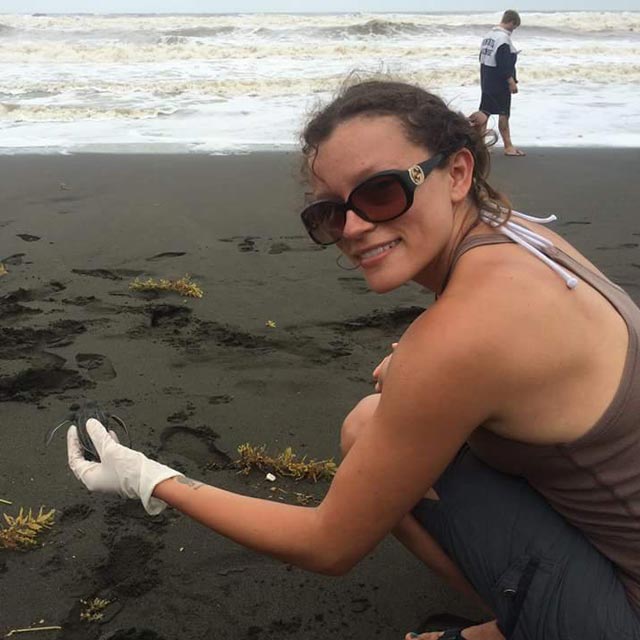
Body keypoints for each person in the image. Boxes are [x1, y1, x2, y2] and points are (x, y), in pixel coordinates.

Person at [67, 79, 640, 640]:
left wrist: (149, 478)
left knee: (368, 432)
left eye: (382, 192)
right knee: (374, 419)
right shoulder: (520, 234)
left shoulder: (461, 335)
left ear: (458, 172)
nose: (356, 228)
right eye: (331, 214)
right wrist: (435, 375)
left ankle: (531, 624)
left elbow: (328, 545)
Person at [479, 10, 525, 157]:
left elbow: (482, 58)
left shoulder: (488, 36)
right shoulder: (503, 39)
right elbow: (503, 63)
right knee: (504, 113)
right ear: (511, 22)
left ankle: (480, 146)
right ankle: (508, 146)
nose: (514, 30)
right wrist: (511, 81)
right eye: (515, 27)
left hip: (486, 79)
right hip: (499, 82)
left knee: (484, 111)